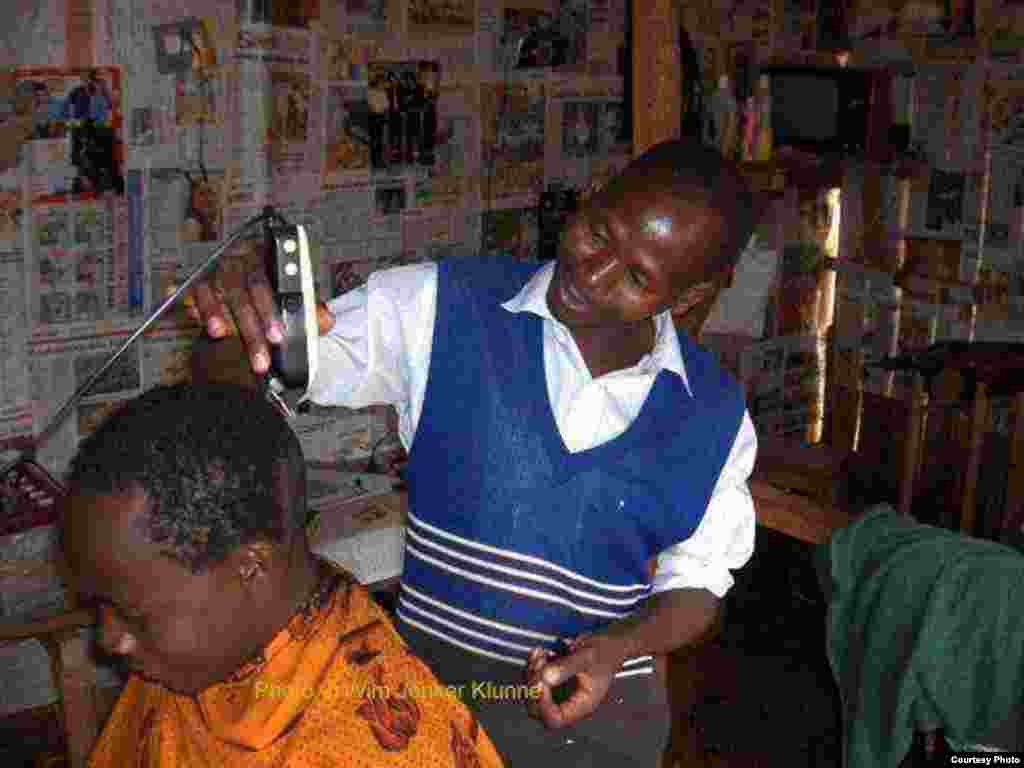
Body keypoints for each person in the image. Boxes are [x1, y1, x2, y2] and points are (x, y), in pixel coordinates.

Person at [190, 137, 760, 765]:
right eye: (599, 233)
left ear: (686, 297)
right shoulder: (441, 307)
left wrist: (618, 646)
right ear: (595, 194)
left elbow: (700, 584)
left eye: (636, 277)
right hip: (428, 729)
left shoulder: (715, 415)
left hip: (601, 741)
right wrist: (233, 322)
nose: (592, 273)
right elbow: (260, 368)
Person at [61, 382, 504, 768]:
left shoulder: (375, 749)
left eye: (132, 614)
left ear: (251, 565)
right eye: (100, 605)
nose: (109, 639)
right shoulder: (193, 658)